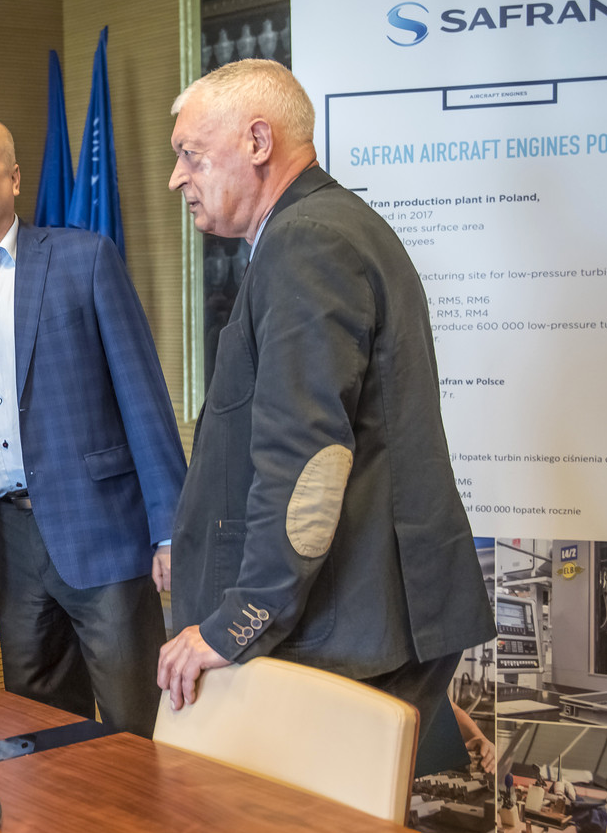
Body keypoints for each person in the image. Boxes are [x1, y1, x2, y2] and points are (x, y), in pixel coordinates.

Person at [158, 59, 495, 738]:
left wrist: (239, 620)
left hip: (334, 631)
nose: (176, 178)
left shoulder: (305, 242)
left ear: (258, 142)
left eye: (191, 154)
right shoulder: (333, 226)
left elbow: (306, 459)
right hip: (359, 617)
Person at [0, 115, 186, 736]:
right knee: (42, 735)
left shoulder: (85, 260)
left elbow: (144, 400)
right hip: (8, 546)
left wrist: (170, 531)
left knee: (140, 726)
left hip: (103, 530)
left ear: (13, 178)